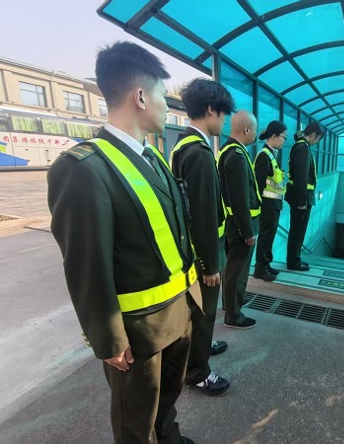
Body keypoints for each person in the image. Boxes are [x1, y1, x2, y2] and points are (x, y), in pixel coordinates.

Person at [47, 42, 195, 443]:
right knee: (136, 422)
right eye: (163, 95)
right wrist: (108, 339)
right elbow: (86, 265)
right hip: (138, 331)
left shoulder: (153, 158)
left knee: (167, 400)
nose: (167, 106)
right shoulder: (84, 168)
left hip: (177, 312)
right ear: (141, 97)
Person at [170, 79, 235, 397]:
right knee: (204, 312)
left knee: (200, 313)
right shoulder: (199, 153)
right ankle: (197, 373)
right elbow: (204, 213)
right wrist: (210, 264)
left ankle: (202, 347)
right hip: (203, 253)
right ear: (211, 110)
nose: (224, 122)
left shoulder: (183, 145)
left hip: (193, 248)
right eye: (223, 114)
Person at [217, 110, 260, 329]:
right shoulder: (236, 156)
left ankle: (231, 307)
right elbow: (239, 199)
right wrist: (248, 232)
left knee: (233, 268)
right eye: (255, 129)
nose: (256, 134)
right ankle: (233, 316)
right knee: (237, 271)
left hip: (236, 223)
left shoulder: (230, 150)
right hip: (241, 225)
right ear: (247, 129)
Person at [285, 122, 324, 271]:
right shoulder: (303, 148)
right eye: (318, 139)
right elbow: (301, 177)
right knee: (298, 231)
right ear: (313, 135)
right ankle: (294, 262)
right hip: (302, 198)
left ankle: (295, 259)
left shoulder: (301, 145)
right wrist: (302, 201)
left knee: (297, 230)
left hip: (300, 196)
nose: (317, 142)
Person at [252, 120, 288, 282]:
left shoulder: (271, 155)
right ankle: (260, 268)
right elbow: (258, 185)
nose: (284, 141)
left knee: (270, 236)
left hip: (273, 205)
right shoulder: (264, 156)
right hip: (266, 206)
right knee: (265, 237)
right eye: (283, 137)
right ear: (274, 136)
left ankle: (266, 264)